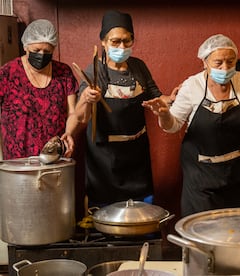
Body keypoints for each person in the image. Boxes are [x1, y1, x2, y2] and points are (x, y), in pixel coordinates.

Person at [143, 34, 240, 217]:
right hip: (200, 176)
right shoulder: (192, 86)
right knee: (201, 231)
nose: (225, 68)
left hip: (234, 171)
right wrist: (164, 115)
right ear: (205, 62)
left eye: (231, 62)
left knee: (233, 230)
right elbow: (173, 125)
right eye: (218, 63)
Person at [64, 11, 175, 207]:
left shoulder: (138, 67)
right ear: (103, 42)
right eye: (115, 42)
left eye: (127, 41)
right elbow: (81, 117)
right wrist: (87, 100)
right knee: (105, 214)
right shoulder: (94, 71)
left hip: (136, 154)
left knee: (141, 211)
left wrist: (171, 99)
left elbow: (156, 96)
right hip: (105, 158)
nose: (122, 47)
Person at [0, 19, 78, 160]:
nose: (41, 55)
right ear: (25, 46)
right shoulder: (7, 73)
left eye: (47, 51)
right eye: (36, 50)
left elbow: (72, 112)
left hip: (54, 157)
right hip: (18, 160)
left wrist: (69, 133)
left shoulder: (64, 73)